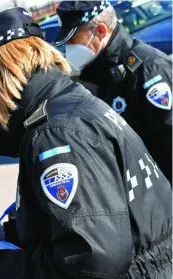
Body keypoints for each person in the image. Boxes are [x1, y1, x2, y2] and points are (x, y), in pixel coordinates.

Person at [0, 7, 172, 279]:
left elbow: (94, 259)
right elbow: (101, 213)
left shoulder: (56, 133)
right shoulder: (73, 104)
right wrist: (15, 233)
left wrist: (1, 266)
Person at [53, 0, 172, 183]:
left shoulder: (148, 69)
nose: (69, 49)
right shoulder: (98, 76)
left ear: (100, 31)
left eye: (74, 40)